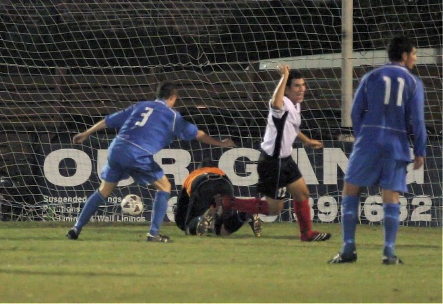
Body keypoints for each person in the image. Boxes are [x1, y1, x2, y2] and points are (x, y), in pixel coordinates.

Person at [65, 81, 235, 242]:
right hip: (137, 153)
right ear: (173, 98)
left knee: (103, 190)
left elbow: (109, 120)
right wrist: (221, 143)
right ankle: (153, 234)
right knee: (165, 187)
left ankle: (76, 228)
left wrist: (86, 133)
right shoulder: (173, 116)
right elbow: (198, 134)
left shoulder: (141, 106)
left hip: (116, 149)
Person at [328, 35, 426, 265]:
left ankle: (348, 248)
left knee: (351, 190)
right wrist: (419, 150)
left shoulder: (371, 77)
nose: (415, 58)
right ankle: (388, 252)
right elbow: (418, 121)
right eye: (413, 54)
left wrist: (364, 135)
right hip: (396, 144)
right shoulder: (413, 83)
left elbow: (356, 111)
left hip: (369, 141)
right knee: (390, 195)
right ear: (404, 55)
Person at [220, 64, 331, 242]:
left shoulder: (295, 104)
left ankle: (307, 234)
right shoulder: (284, 103)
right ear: (286, 88)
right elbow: (275, 103)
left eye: (303, 85)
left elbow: (292, 127)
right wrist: (283, 76)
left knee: (302, 193)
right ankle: (227, 203)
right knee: (274, 209)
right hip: (273, 163)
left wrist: (306, 140)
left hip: (285, 160)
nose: (301, 89)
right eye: (296, 85)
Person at [174, 160, 262, 237]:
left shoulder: (193, 175)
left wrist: (185, 225)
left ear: (199, 168)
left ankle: (201, 219)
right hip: (225, 183)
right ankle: (246, 214)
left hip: (202, 184)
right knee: (223, 228)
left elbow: (181, 206)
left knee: (188, 226)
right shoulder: (220, 171)